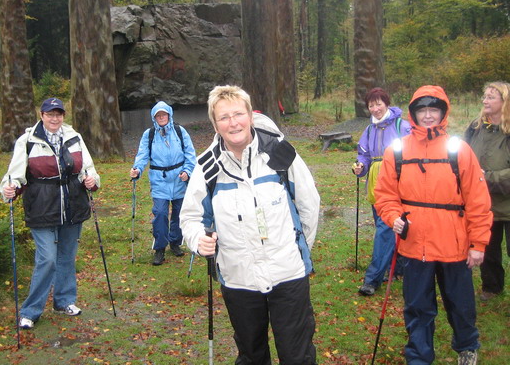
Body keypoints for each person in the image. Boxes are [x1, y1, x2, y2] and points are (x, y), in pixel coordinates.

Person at [180, 85, 320, 364]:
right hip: (238, 279)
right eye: (224, 117)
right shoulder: (207, 166)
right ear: (215, 124)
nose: (233, 123)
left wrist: (298, 248)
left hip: (288, 275)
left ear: (250, 116)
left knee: (297, 356)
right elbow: (190, 217)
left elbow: (308, 202)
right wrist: (198, 240)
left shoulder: (280, 153)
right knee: (252, 356)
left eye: (238, 114)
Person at [375, 85, 492, 365]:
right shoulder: (398, 150)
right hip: (415, 245)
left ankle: (467, 346)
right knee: (417, 306)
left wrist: (478, 243)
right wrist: (394, 218)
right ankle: (418, 356)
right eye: (422, 110)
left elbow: (478, 199)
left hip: (454, 244)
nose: (428, 116)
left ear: (443, 112)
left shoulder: (458, 149)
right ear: (413, 114)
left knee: (460, 304)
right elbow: (385, 195)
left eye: (434, 110)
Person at [0, 98, 100, 330]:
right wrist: (9, 188)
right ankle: (31, 311)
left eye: (59, 114)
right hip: (41, 206)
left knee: (66, 256)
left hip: (73, 205)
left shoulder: (74, 137)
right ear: (41, 115)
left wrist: (92, 180)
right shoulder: (27, 141)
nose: (55, 119)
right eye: (50, 114)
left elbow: (89, 169)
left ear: (63, 115)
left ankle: (64, 301)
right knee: (46, 259)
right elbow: (14, 175)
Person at [352, 87, 411, 296]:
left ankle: (372, 279)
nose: (375, 109)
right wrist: (359, 167)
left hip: (397, 182)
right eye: (371, 105)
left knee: (385, 229)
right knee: (389, 226)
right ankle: (398, 268)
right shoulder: (369, 130)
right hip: (376, 183)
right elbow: (364, 155)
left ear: (386, 103)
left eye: (378, 104)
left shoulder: (402, 127)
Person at [130, 101, 196, 265]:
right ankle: (160, 248)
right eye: (158, 115)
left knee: (179, 213)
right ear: (154, 117)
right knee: (160, 213)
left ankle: (175, 242)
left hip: (179, 178)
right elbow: (142, 155)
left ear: (169, 115)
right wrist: (137, 169)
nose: (161, 117)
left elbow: (190, 155)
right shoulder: (149, 134)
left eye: (163, 114)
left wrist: (187, 172)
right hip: (159, 179)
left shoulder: (180, 132)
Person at [464, 81, 510, 301]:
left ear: (504, 101)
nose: (485, 101)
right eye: (485, 96)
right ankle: (491, 288)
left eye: (491, 97)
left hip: (508, 204)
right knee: (488, 248)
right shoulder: (475, 127)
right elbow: (463, 156)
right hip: (484, 204)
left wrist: (487, 177)